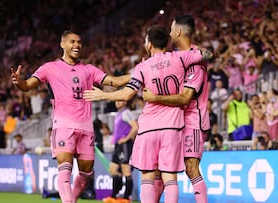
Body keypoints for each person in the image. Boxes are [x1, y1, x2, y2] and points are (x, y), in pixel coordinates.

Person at [84, 25, 211, 203]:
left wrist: (103, 94)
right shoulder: (180, 57)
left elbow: (127, 94)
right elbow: (207, 54)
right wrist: (196, 51)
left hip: (148, 128)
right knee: (170, 178)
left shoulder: (142, 67)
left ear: (149, 44)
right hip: (172, 128)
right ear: (167, 43)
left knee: (147, 177)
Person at [10, 30, 130, 203]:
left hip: (86, 128)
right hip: (64, 125)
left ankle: (71, 199)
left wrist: (138, 76)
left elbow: (115, 81)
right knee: (65, 169)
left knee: (85, 173)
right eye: (72, 42)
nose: (77, 45)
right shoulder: (49, 68)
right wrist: (18, 82)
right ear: (62, 44)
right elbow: (27, 85)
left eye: (79, 42)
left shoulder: (89, 70)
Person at [142, 15, 211, 203]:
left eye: (172, 28)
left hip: (192, 120)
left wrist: (155, 98)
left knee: (191, 167)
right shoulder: (176, 57)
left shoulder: (195, 62)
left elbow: (185, 98)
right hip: (174, 120)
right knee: (159, 169)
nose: (169, 32)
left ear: (178, 31)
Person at [103, 100, 138, 203]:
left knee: (126, 170)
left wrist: (126, 139)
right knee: (113, 169)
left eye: (121, 100)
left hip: (124, 145)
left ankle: (127, 198)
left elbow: (135, 127)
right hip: (118, 146)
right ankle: (114, 196)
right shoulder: (119, 113)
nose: (118, 102)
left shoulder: (126, 112)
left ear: (125, 102)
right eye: (117, 100)